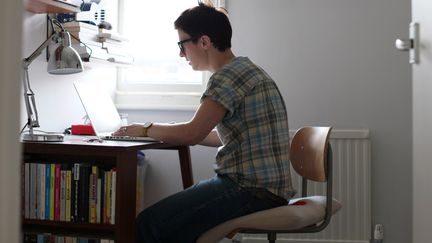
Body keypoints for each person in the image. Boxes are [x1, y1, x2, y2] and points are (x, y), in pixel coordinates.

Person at [113, 1, 295, 242]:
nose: (180, 53)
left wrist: (145, 129)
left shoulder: (228, 76)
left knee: (148, 225)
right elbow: (217, 136)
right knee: (176, 225)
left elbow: (192, 133)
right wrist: (162, 130)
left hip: (251, 190)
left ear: (205, 42)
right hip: (265, 188)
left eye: (182, 44)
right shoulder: (246, 70)